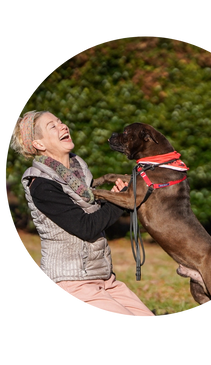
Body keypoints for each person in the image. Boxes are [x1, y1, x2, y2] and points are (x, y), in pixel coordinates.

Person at [9, 110, 155, 319]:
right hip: (70, 283)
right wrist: (121, 201)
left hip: (104, 279)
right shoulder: (41, 185)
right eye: (53, 126)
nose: (63, 126)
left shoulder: (79, 173)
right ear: (39, 144)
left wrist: (112, 199)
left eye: (61, 121)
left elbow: (90, 213)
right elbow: (86, 227)